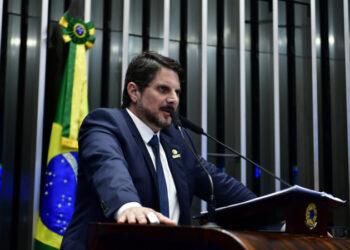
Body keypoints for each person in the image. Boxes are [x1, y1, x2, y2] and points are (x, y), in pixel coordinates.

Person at [61, 51, 256, 249]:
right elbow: (108, 166)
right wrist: (128, 206)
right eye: (163, 89)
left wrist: (272, 212)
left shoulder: (177, 140)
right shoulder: (105, 124)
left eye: (177, 92)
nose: (174, 100)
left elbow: (218, 183)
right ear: (134, 92)